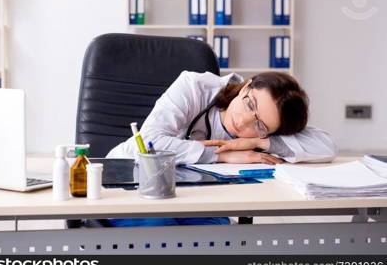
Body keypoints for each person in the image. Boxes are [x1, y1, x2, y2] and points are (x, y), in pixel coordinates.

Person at [104, 70, 336, 227]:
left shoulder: (265, 133)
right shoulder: (196, 87)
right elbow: (149, 142)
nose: (244, 121)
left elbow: (326, 146)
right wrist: (223, 156)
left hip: (196, 200)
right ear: (247, 86)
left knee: (219, 239)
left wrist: (259, 142)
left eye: (259, 125)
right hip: (131, 184)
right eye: (249, 105)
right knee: (159, 232)